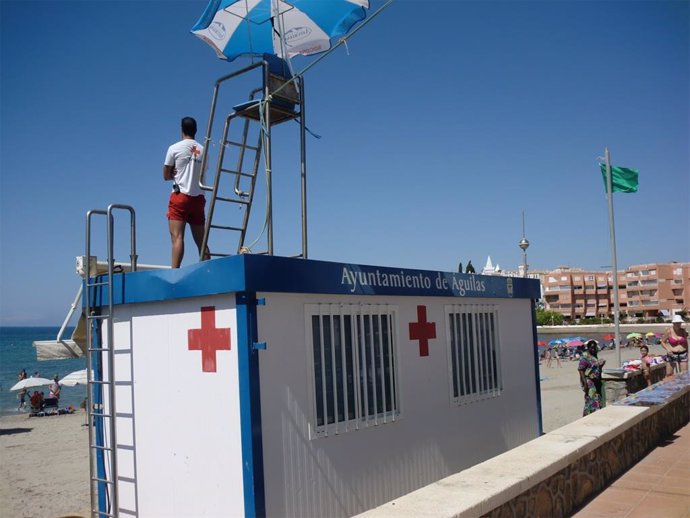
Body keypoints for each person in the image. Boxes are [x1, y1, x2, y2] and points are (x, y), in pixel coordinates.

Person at [164, 116, 210, 268]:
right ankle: (208, 271)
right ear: (196, 131)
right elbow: (202, 172)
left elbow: (165, 175)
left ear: (181, 130)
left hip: (180, 196)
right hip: (198, 198)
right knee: (201, 242)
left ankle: (174, 272)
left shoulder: (174, 148)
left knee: (177, 238)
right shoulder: (203, 150)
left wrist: (173, 173)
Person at [578, 339, 606, 416]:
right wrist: (585, 384)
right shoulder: (584, 356)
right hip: (589, 382)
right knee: (591, 398)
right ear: (588, 347)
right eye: (591, 348)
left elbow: (595, 368)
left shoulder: (594, 355)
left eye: (594, 348)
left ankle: (593, 415)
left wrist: (601, 365)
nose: (593, 349)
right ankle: (589, 415)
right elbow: (581, 370)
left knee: (596, 398)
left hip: (596, 381)